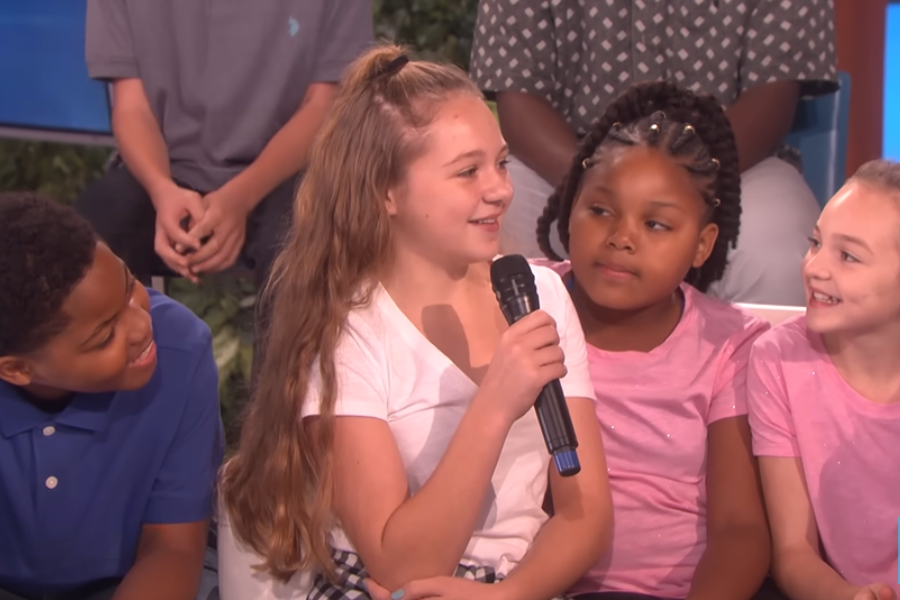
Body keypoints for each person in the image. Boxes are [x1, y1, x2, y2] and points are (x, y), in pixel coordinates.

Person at [217, 44, 613, 600]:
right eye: (467, 171)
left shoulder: (540, 293)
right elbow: (402, 564)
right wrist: (495, 404)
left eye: (500, 163)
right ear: (386, 191)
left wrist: (506, 596)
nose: (499, 189)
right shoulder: (350, 329)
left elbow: (585, 514)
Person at [534, 81, 777, 600]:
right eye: (600, 211)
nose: (622, 237)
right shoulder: (523, 299)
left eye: (656, 224)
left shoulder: (726, 345)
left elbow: (740, 529)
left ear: (701, 245)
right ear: (571, 206)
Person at [471, 0, 838, 305]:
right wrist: (602, 187)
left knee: (778, 259)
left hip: (729, 159)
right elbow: (518, 105)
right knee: (479, 226)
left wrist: (680, 183)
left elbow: (773, 98)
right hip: (565, 162)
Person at [0, 193, 224, 600]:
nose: (141, 326)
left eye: (129, 287)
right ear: (16, 369)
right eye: (105, 337)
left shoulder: (181, 349)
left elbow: (171, 548)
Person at [74, 0, 374, 288]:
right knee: (82, 248)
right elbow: (131, 109)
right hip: (165, 167)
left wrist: (240, 197)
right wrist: (162, 190)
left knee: (302, 248)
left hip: (290, 169)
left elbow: (324, 106)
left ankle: (290, 343)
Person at [747, 160, 900, 600]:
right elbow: (794, 553)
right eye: (815, 243)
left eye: (848, 256)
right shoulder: (778, 359)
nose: (814, 267)